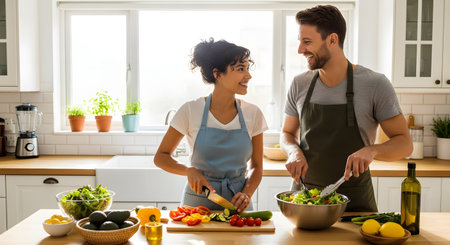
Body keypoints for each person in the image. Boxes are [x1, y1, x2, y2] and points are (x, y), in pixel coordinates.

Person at [281, 5, 413, 211]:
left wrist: (372, 151)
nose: (300, 50)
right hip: (305, 201)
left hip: (355, 204)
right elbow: (287, 133)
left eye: (307, 42)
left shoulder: (375, 84)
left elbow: (405, 144)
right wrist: (293, 152)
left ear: (332, 40)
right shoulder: (300, 84)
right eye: (300, 42)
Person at [154, 38, 268, 212]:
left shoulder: (253, 113)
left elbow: (257, 167)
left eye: (247, 69)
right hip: (197, 203)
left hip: (239, 204)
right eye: (240, 69)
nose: (248, 75)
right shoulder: (191, 110)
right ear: (218, 74)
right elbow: (161, 157)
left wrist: (247, 193)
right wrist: (188, 170)